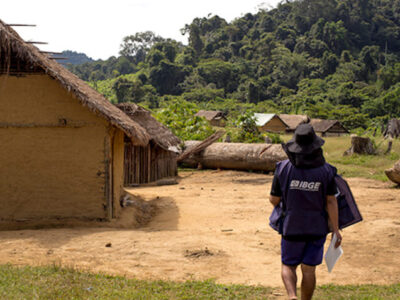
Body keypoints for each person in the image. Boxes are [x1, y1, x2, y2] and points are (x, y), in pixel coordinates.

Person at [269, 124, 342, 300]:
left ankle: (292, 296)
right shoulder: (327, 171)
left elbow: (274, 199)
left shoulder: (282, 168)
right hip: (316, 228)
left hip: (291, 226)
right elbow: (331, 201)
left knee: (288, 265)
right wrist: (336, 230)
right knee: (309, 269)